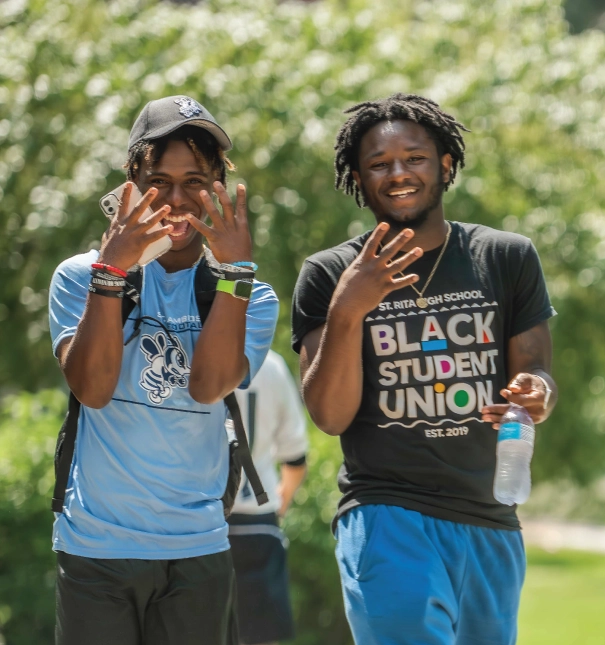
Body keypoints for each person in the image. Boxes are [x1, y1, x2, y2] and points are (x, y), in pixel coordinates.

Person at [291, 93, 557, 645]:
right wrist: (348, 310)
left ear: (446, 165)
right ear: (359, 180)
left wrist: (536, 393)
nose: (398, 173)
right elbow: (330, 415)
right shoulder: (329, 273)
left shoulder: (505, 257)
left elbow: (536, 376)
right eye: (379, 164)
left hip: (489, 515)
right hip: (386, 511)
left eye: (414, 157)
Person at [48, 95, 279, 645]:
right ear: (131, 179)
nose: (177, 200)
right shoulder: (78, 276)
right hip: (94, 548)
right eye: (159, 180)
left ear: (219, 183)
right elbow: (93, 389)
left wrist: (236, 274)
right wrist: (111, 273)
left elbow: (208, 386)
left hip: (196, 549)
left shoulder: (254, 295)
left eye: (195, 180)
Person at [227, 348, 308, 645]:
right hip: (258, 523)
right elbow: (296, 459)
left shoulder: (186, 353)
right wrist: (280, 505)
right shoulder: (270, 365)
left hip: (197, 520)